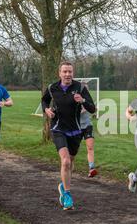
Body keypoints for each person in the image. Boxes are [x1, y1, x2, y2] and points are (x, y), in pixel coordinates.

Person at [41, 62, 96, 211]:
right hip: (58, 129)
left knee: (70, 163)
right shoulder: (53, 88)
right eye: (64, 72)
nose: (67, 74)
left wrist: (83, 100)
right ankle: (67, 195)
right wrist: (46, 110)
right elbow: (44, 99)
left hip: (75, 131)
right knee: (65, 161)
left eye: (70, 72)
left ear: (73, 73)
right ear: (59, 73)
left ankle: (63, 185)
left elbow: (92, 108)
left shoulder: (80, 88)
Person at [79, 82, 97, 178]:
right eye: (84, 89)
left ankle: (91, 168)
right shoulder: (76, 99)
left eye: (87, 89)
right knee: (73, 151)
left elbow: (94, 109)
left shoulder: (89, 101)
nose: (86, 91)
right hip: (76, 127)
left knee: (90, 147)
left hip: (87, 126)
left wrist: (92, 108)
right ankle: (68, 167)